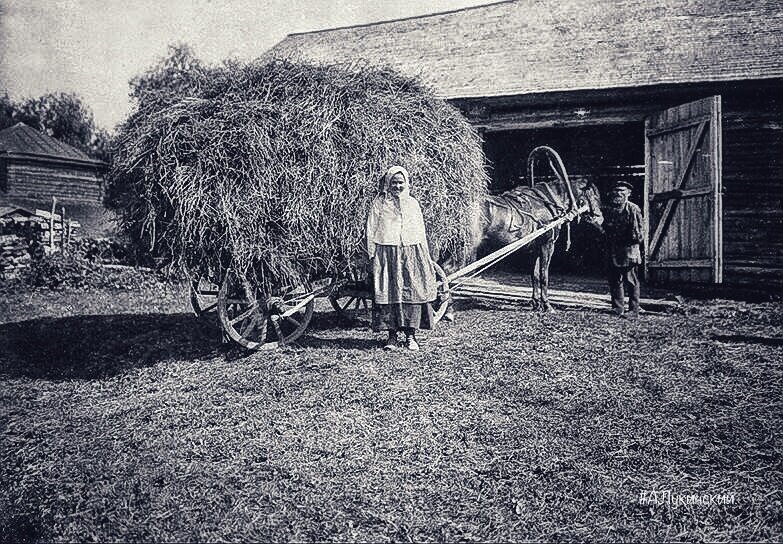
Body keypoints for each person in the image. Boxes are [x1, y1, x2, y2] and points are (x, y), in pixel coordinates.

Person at [366, 166, 437, 350]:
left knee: (411, 292)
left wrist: (425, 255)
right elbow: (371, 228)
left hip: (410, 252)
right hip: (387, 252)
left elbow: (421, 230)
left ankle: (411, 336)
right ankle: (392, 337)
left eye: (400, 182)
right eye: (394, 182)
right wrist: (372, 253)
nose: (397, 186)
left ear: (406, 184)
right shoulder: (380, 204)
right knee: (389, 293)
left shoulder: (413, 203)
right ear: (388, 184)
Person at [601, 180, 644, 318]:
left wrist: (624, 238)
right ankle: (617, 308)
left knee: (631, 280)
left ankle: (634, 310)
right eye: (616, 190)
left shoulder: (633, 209)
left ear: (628, 193)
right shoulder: (610, 210)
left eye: (622, 191)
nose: (618, 193)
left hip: (628, 250)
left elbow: (638, 234)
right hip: (614, 250)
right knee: (615, 280)